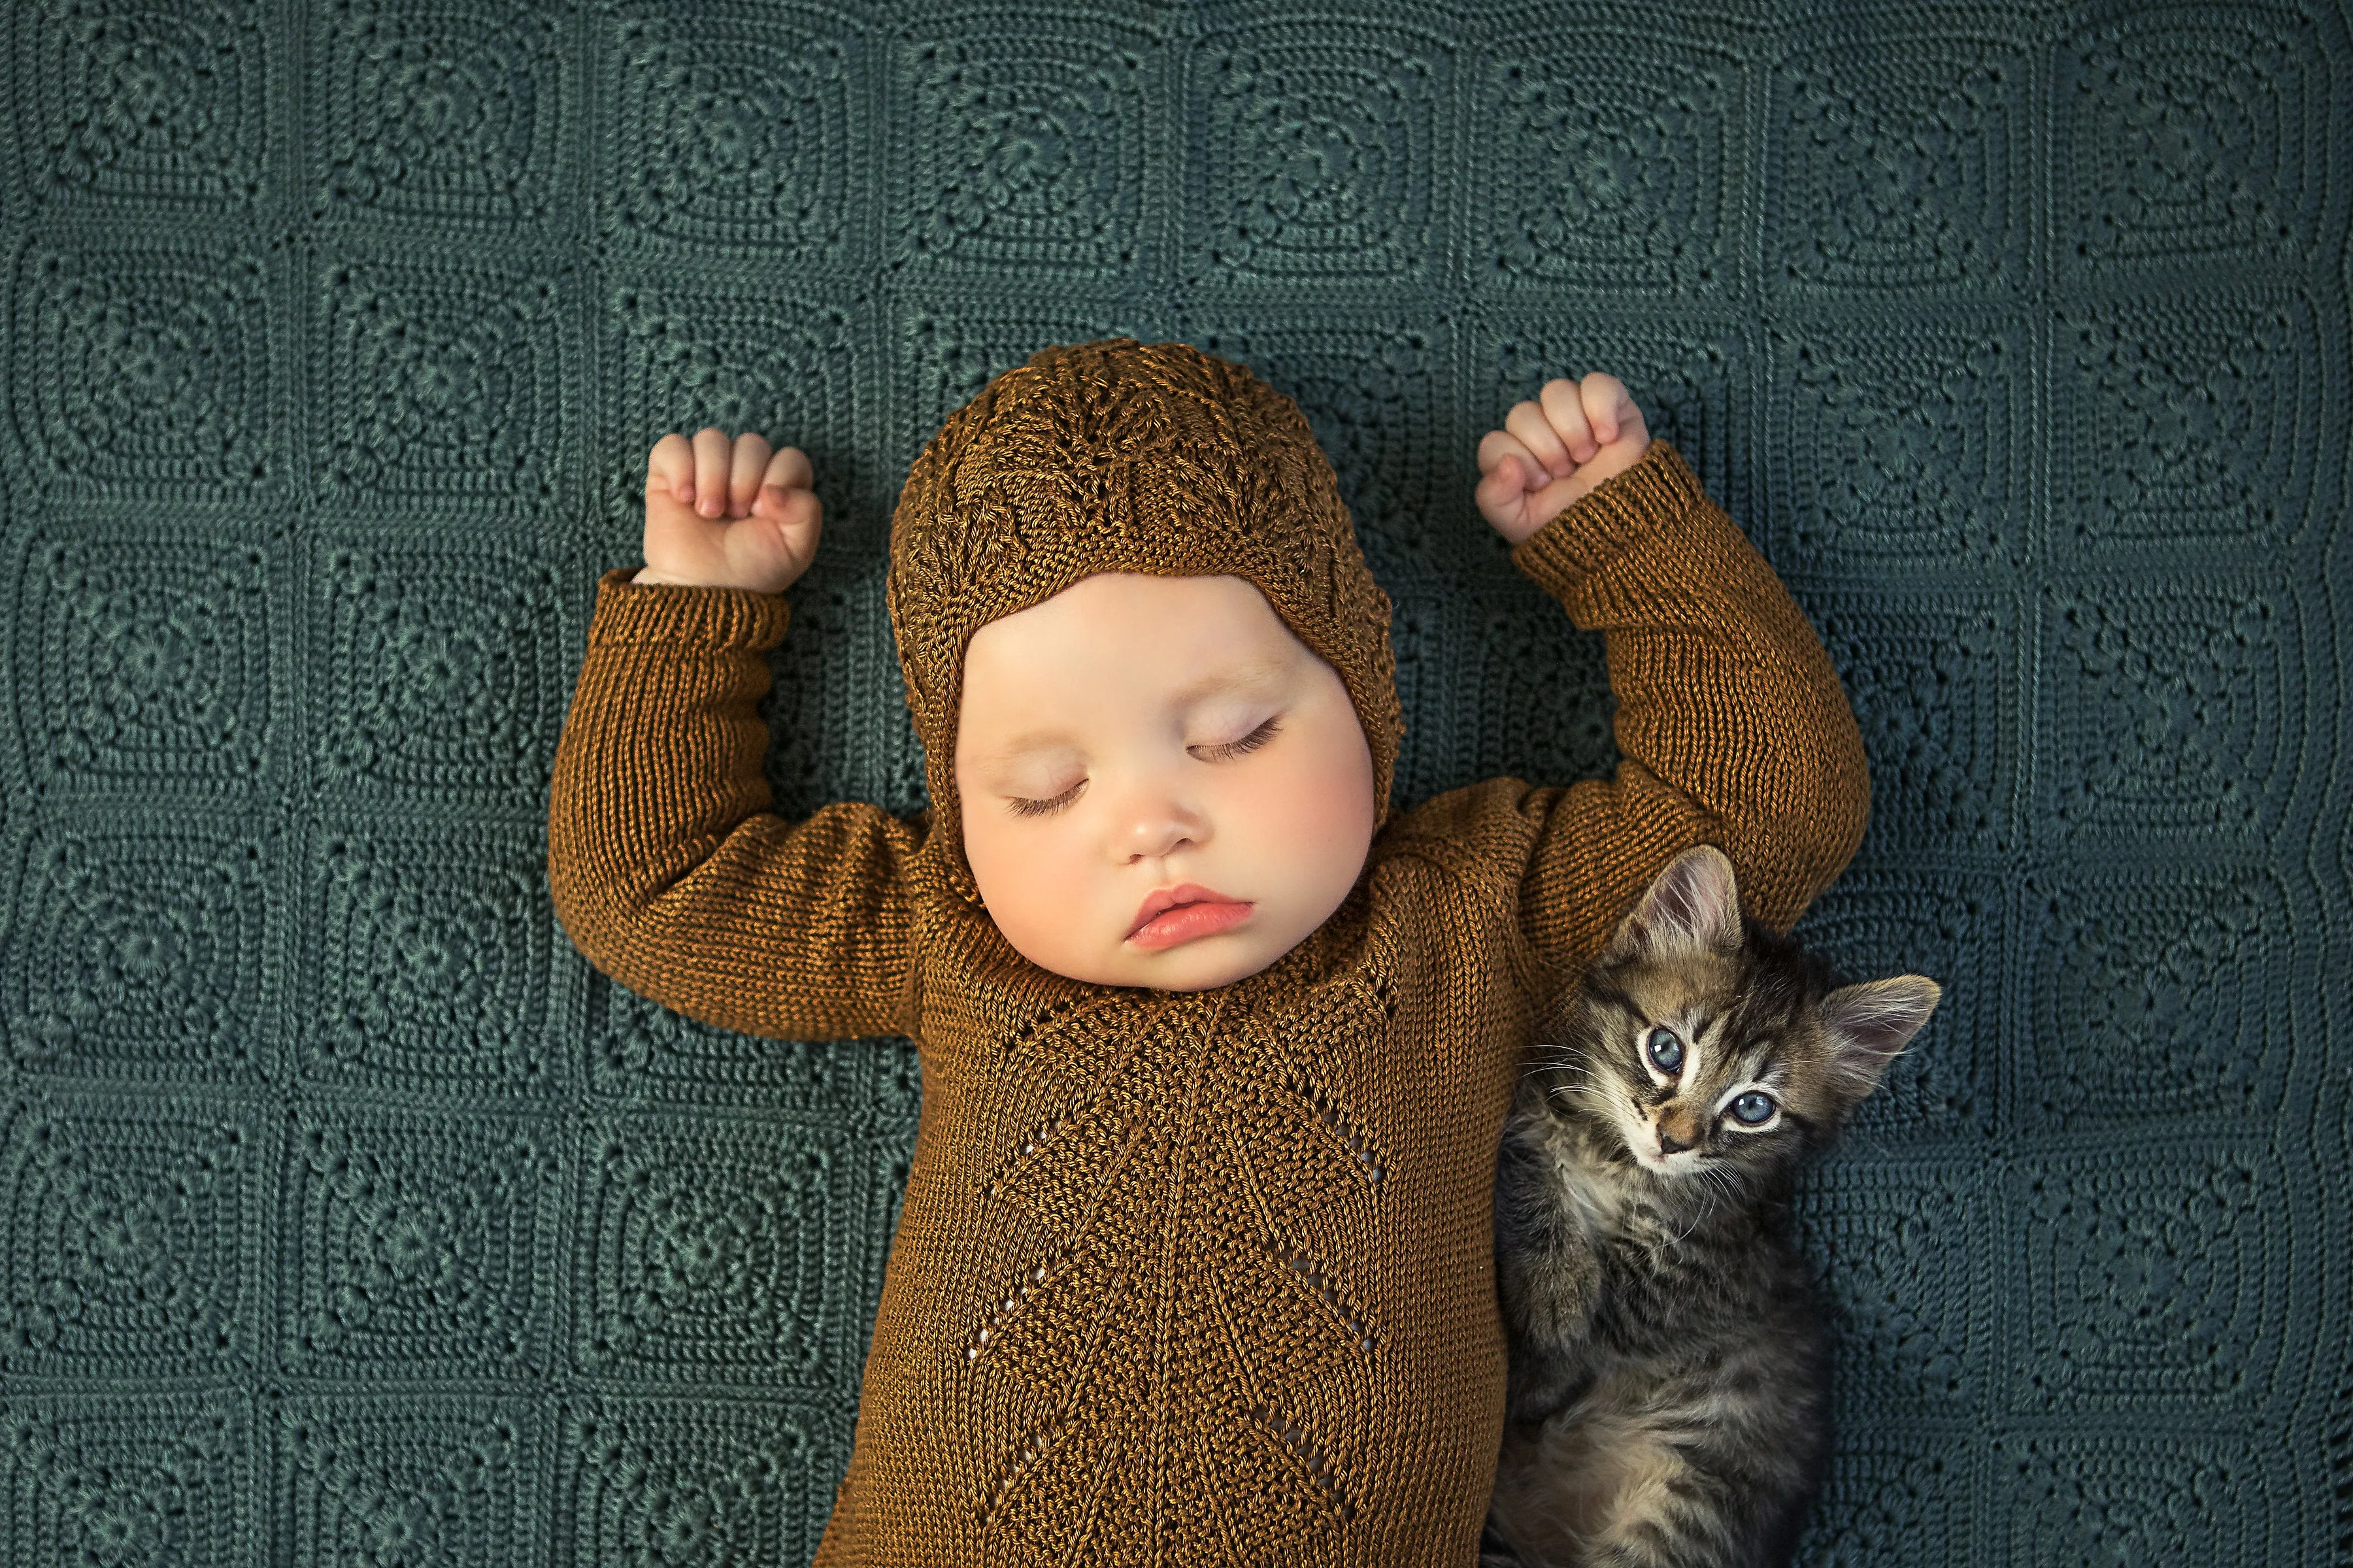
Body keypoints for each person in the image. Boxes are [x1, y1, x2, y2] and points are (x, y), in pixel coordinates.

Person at [546, 338, 1868, 1565]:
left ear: (1366, 698)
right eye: (1047, 787)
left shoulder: (1473, 904)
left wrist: (1626, 540)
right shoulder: (940, 929)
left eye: (1235, 735)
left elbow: (1769, 800)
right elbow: (652, 884)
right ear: (959, 820)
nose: (1153, 824)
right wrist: (697, 617)